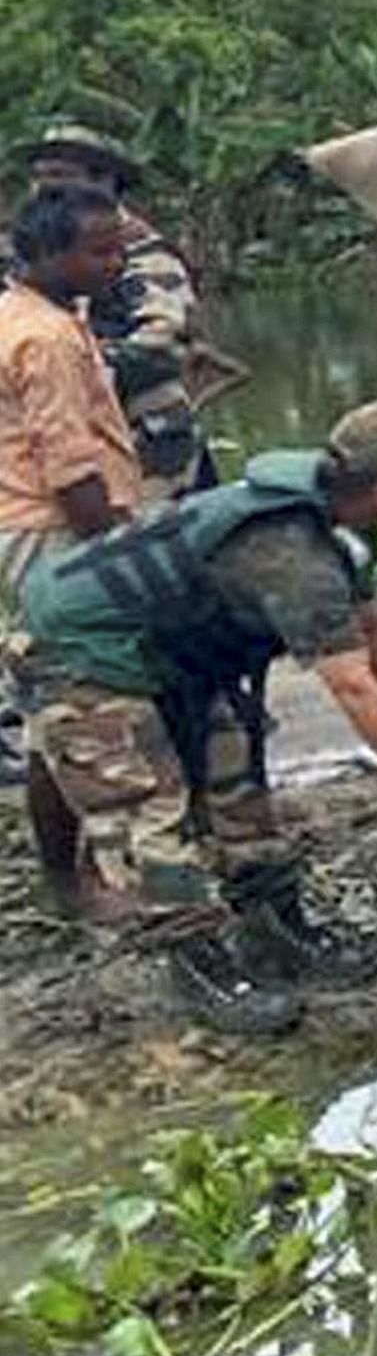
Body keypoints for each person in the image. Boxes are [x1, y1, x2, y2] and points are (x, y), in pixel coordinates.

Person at [19, 404, 377, 1034]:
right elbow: (350, 686)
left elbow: (370, 640)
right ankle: (198, 966)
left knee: (239, 779)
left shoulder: (344, 520)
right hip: (80, 655)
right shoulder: (292, 551)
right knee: (151, 808)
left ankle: (275, 932)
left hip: (169, 656)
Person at [0, 186, 144, 906]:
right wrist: (118, 560)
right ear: (50, 254)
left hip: (25, 530)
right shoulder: (49, 337)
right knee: (86, 710)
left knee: (46, 722)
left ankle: (66, 878)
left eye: (119, 245)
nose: (116, 261)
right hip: (54, 535)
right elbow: (71, 467)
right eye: (99, 249)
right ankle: (97, 877)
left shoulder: (33, 317)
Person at [25, 126, 226, 504]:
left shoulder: (144, 255)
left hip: (150, 449)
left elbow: (164, 342)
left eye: (59, 177)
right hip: (69, 447)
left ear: (104, 183)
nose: (43, 190)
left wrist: (74, 366)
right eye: (38, 178)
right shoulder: (35, 255)